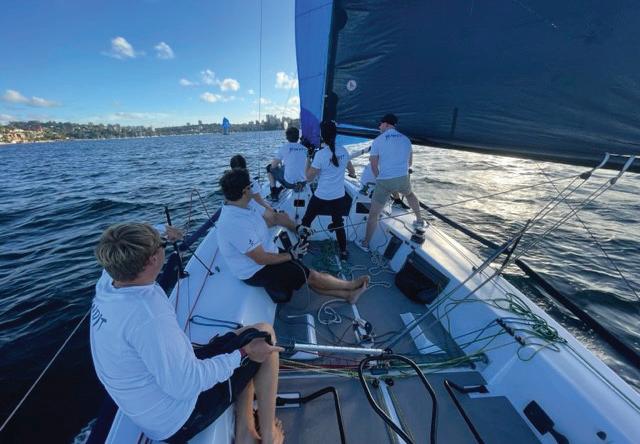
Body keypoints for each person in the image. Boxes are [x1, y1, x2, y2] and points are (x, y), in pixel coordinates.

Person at [90, 222, 283, 443]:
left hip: (148, 405)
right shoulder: (148, 315)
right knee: (263, 337)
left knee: (244, 339)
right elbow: (186, 385)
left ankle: (245, 433)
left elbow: (126, 242)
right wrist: (243, 353)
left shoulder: (109, 281)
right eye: (161, 245)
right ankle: (269, 436)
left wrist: (162, 232)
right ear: (153, 259)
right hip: (179, 418)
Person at [217, 167, 369, 304]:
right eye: (250, 186)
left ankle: (349, 295)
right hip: (255, 270)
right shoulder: (234, 223)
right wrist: (291, 254)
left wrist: (298, 228)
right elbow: (260, 258)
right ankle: (351, 286)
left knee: (306, 275)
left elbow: (274, 217)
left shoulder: (248, 205)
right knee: (310, 276)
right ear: (244, 191)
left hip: (269, 253)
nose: (253, 188)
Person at [360, 113, 424, 251]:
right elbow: (410, 163)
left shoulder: (378, 140)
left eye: (380, 124)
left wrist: (380, 180)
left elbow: (373, 165)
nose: (379, 126)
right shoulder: (406, 140)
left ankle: (365, 243)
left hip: (384, 181)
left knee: (373, 215)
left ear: (386, 124)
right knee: (410, 194)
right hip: (402, 178)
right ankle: (419, 220)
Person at [298, 121, 357, 261]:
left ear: (322, 136)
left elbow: (308, 177)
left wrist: (308, 157)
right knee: (338, 223)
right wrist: (352, 174)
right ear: (335, 135)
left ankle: (301, 249)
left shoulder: (321, 155)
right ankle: (343, 252)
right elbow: (351, 170)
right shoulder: (344, 151)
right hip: (339, 196)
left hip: (321, 196)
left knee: (306, 221)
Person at [230, 154, 296, 231]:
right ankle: (298, 229)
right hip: (252, 216)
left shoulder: (228, 183)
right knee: (284, 216)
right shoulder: (250, 182)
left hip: (237, 216)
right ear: (245, 166)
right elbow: (260, 202)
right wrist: (274, 211)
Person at [267, 126, 308, 200]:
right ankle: (281, 188)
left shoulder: (284, 148)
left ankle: (274, 193)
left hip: (290, 184)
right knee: (286, 168)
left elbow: (273, 166)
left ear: (287, 137)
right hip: (303, 183)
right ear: (298, 136)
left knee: (269, 168)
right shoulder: (305, 149)